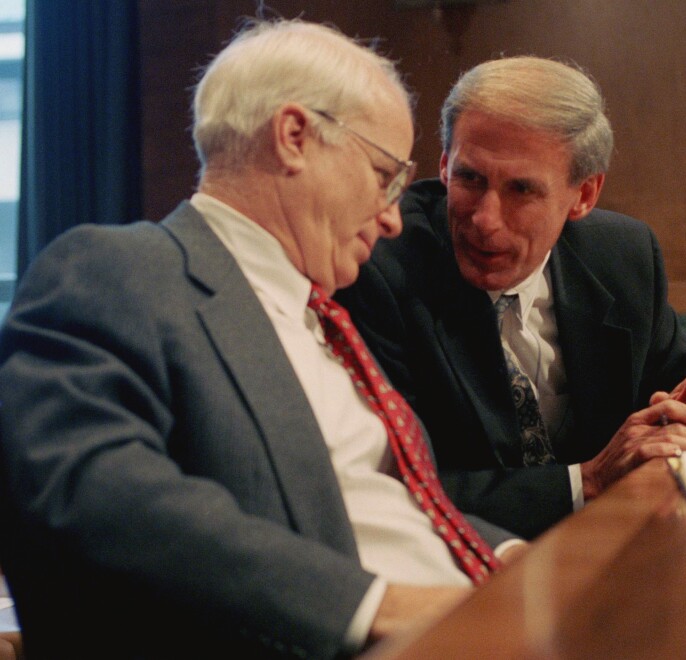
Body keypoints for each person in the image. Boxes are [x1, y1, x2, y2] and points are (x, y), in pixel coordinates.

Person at [0, 20, 523, 660]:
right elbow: (94, 495)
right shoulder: (119, 271)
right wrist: (380, 605)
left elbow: (392, 503)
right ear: (295, 137)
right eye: (384, 174)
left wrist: (519, 560)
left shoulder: (328, 318)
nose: (392, 217)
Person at [336, 56, 686, 539]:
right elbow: (391, 487)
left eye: (521, 190)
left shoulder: (623, 257)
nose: (484, 219)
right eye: (470, 178)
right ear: (444, 166)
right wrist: (588, 481)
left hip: (618, 551)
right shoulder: (379, 265)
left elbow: (682, 398)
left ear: (583, 195)